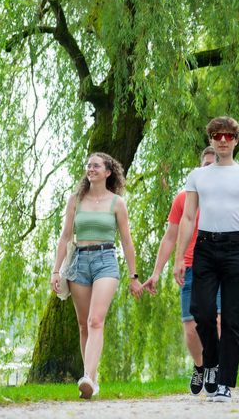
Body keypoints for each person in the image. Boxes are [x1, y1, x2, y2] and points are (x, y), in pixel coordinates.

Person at [173, 117, 239, 403]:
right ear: (211, 140)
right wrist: (180, 258)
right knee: (200, 312)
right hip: (204, 245)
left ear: (236, 140)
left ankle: (225, 382)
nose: (223, 140)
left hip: (235, 248)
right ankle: (211, 363)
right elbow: (188, 217)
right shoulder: (198, 175)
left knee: (231, 318)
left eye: (229, 136)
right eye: (218, 136)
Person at [50, 152, 144, 399]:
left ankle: (88, 378)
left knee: (95, 320)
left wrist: (134, 276)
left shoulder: (117, 203)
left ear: (108, 172)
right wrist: (56, 270)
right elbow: (65, 236)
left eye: (96, 166)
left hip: (106, 262)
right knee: (83, 324)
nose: (90, 169)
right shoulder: (76, 200)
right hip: (79, 262)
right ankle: (91, 377)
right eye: (88, 165)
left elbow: (126, 241)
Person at [142, 147, 225, 396]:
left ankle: (213, 366)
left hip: (221, 267)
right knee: (191, 328)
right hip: (191, 267)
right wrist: (157, 272)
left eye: (214, 165)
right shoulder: (183, 198)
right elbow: (170, 237)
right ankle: (200, 365)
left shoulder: (228, 197)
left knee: (217, 321)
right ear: (199, 168)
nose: (209, 169)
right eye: (205, 164)